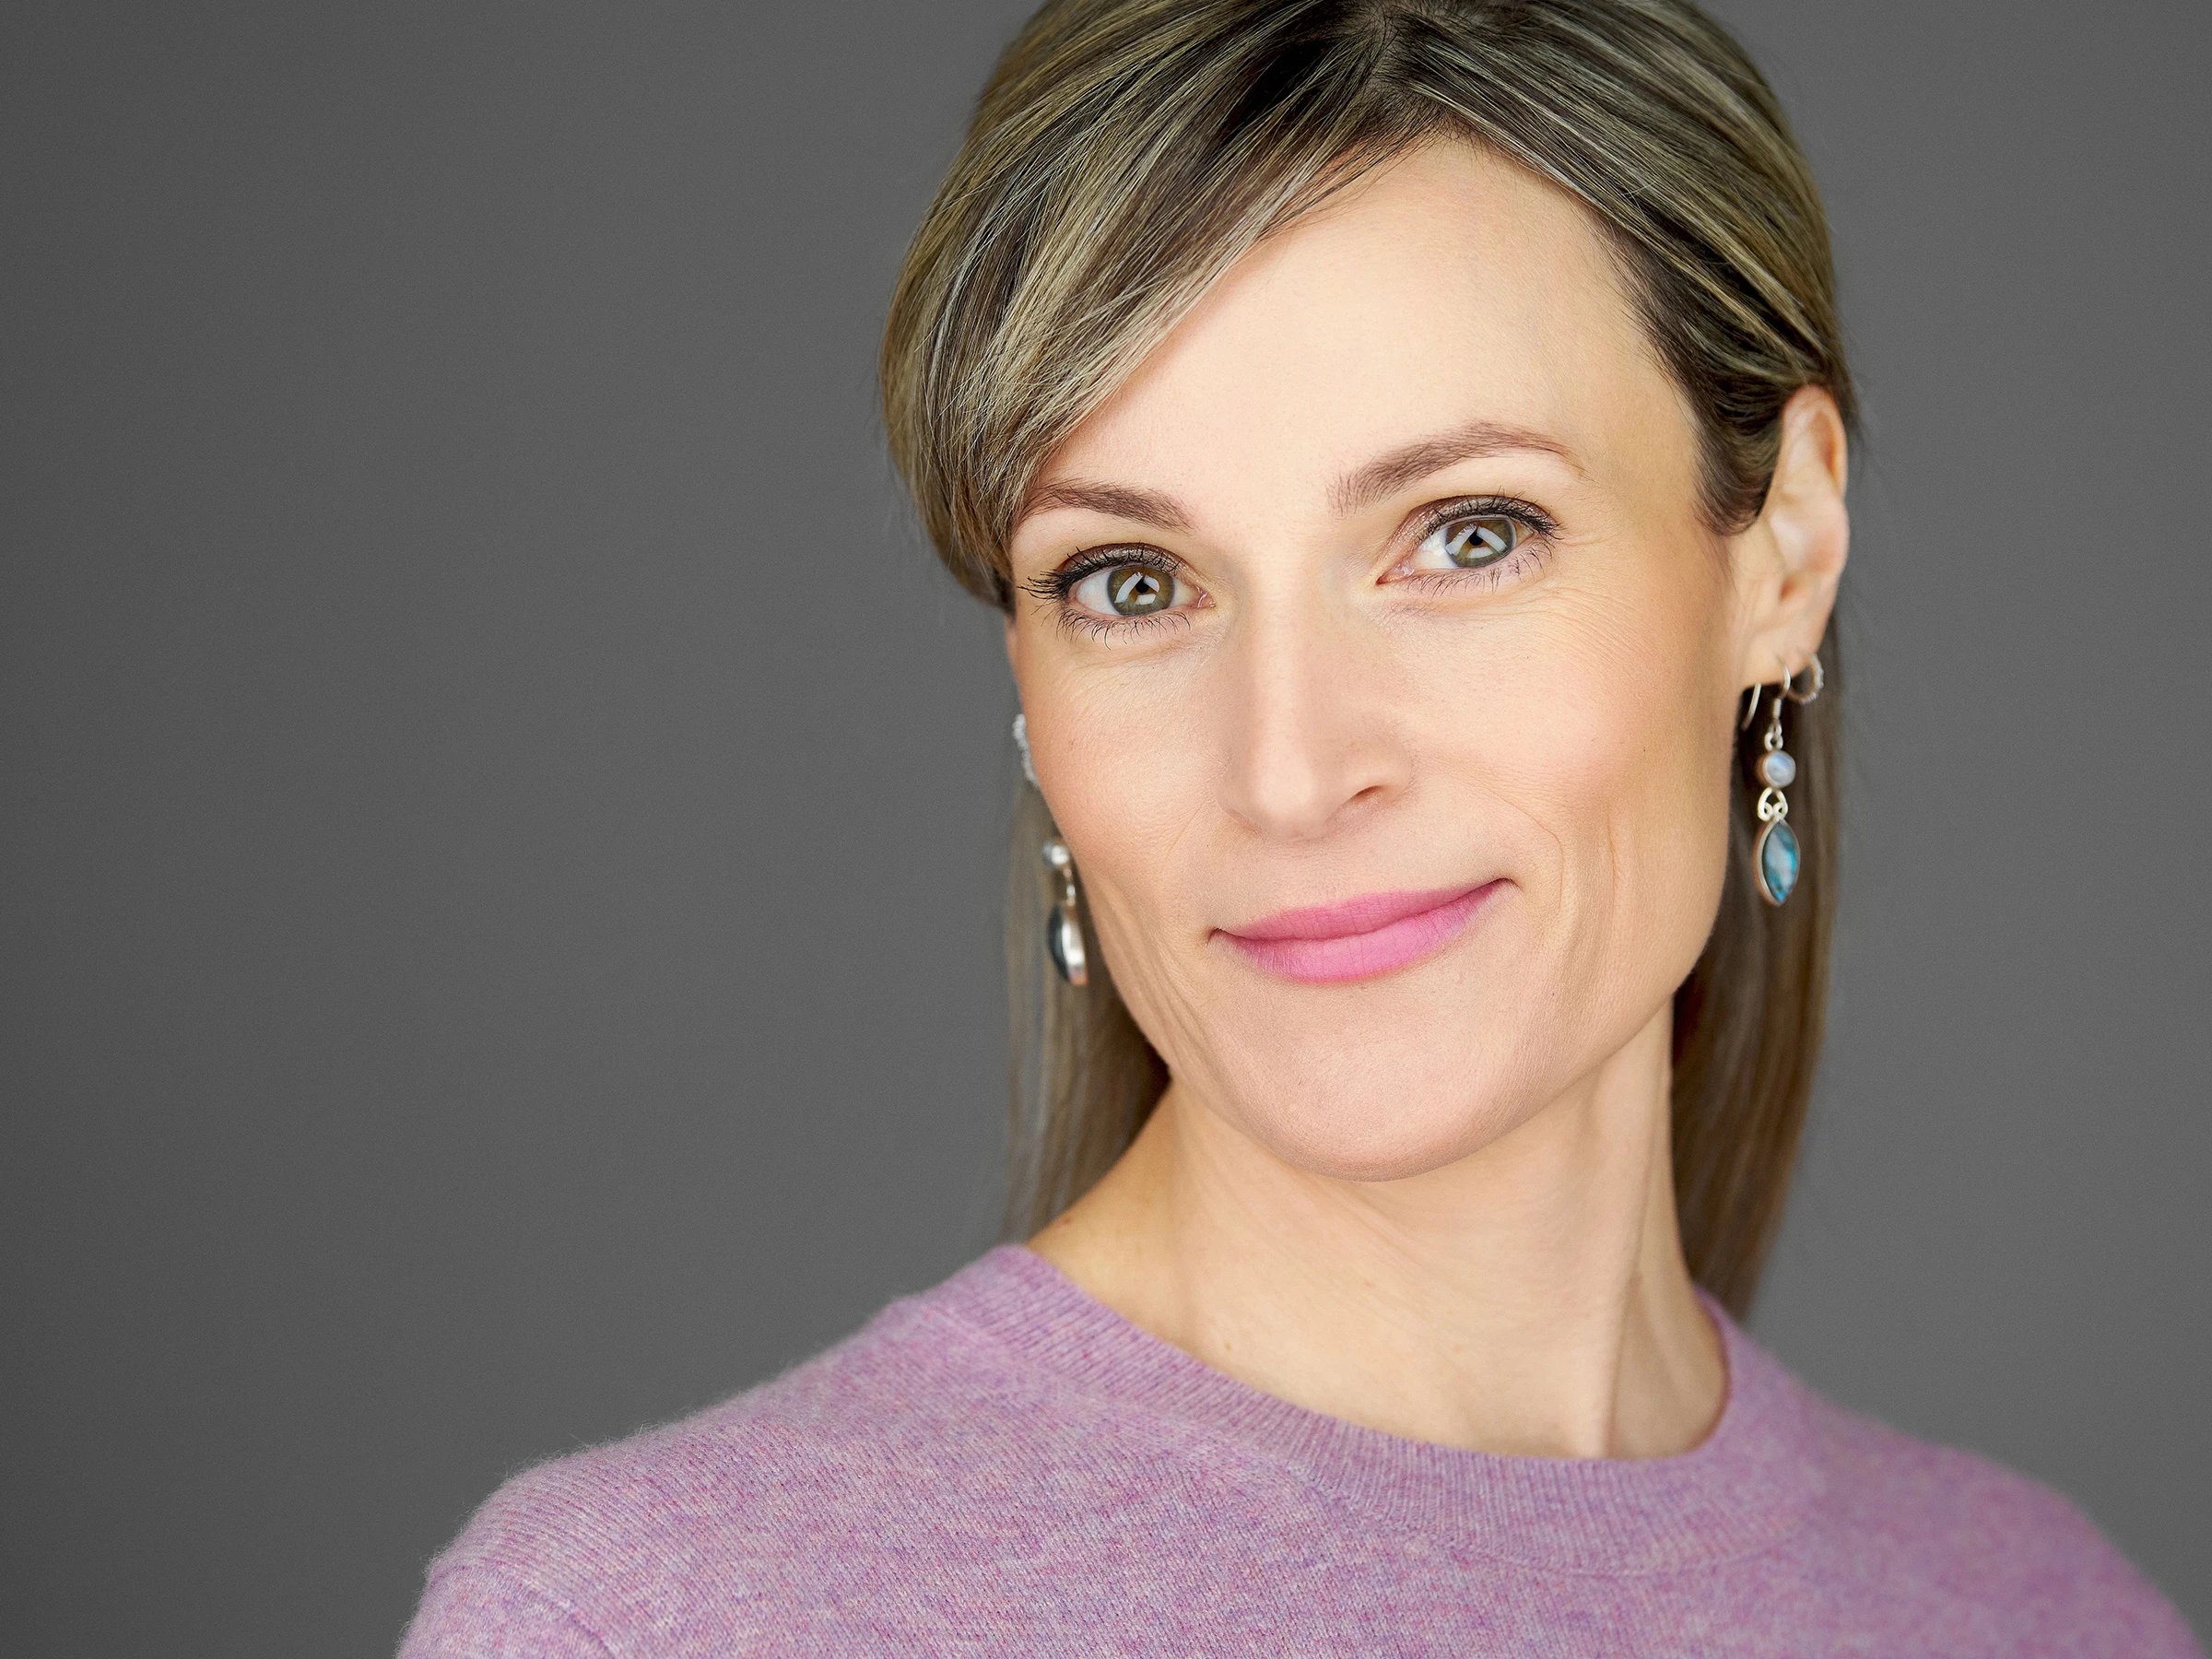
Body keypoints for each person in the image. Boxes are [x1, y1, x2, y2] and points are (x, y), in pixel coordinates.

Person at [401, 1, 2203, 1652]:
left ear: (1786, 549)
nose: (1288, 767)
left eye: (1469, 536)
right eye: (1131, 580)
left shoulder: (2047, 1618)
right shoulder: (655, 1623)